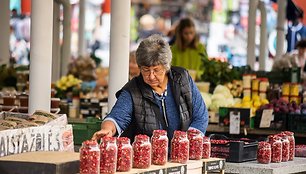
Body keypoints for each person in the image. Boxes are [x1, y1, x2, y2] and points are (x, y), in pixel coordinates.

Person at [92, 34, 208, 141]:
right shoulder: (133, 90)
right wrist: (107, 129)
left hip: (183, 155)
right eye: (146, 70)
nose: (151, 76)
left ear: (166, 66)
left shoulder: (182, 79)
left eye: (156, 70)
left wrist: (186, 143)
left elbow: (201, 115)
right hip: (148, 157)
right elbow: (117, 117)